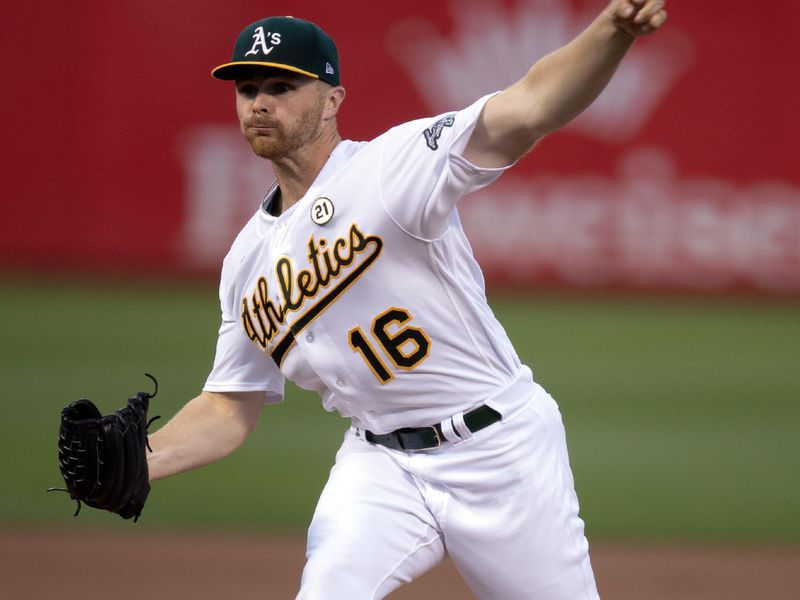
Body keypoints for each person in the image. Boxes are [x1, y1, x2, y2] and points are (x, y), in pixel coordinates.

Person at [147, 1, 667, 598]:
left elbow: (527, 108)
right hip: (380, 466)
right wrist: (142, 459)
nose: (259, 102)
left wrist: (613, 31)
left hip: (499, 451)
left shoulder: (392, 167)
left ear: (333, 99)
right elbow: (227, 406)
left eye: (282, 85)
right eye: (247, 87)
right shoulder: (245, 262)